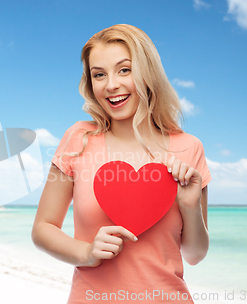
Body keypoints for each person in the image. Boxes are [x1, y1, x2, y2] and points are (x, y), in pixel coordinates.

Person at [31, 24, 211, 303]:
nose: (111, 84)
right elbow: (43, 228)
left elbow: (195, 255)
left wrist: (190, 208)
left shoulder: (188, 147)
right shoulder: (78, 139)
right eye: (99, 75)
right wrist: (86, 253)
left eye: (124, 70)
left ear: (147, 72)